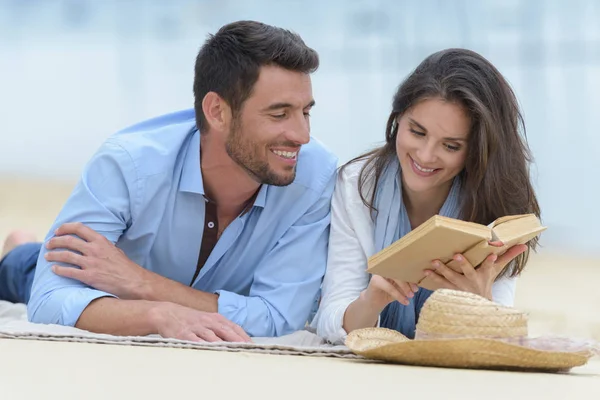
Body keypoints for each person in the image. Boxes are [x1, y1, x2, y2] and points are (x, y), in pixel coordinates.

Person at [0, 20, 338, 342]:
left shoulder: (316, 177)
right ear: (217, 111)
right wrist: (158, 315)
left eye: (305, 112)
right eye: (279, 114)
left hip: (129, 281)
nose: (302, 135)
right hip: (102, 287)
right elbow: (49, 299)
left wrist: (143, 284)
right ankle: (20, 248)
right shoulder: (129, 164)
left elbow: (279, 318)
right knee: (25, 270)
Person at [311, 48, 541, 344]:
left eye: (451, 146)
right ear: (397, 120)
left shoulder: (496, 202)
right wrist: (373, 299)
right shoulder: (358, 186)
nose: (425, 155)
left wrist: (478, 302)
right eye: (417, 132)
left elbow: (498, 340)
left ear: (477, 151)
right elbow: (331, 318)